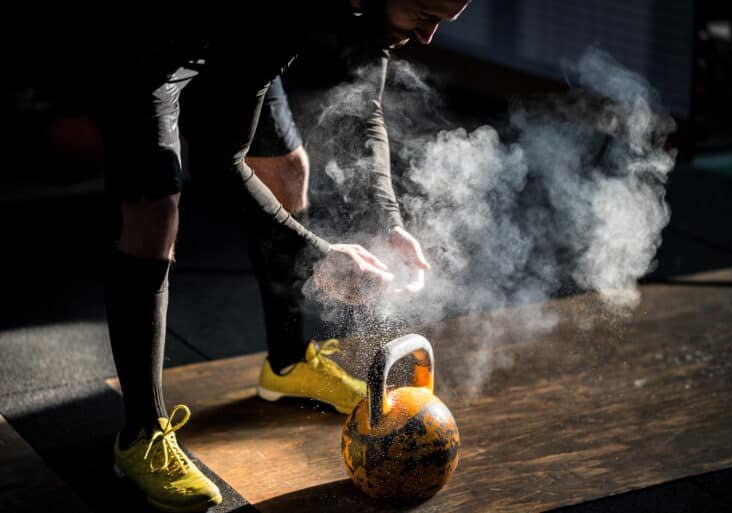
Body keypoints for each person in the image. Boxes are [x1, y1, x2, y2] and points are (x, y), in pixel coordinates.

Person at [99, 1, 469, 511]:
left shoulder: (380, 14)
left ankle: (288, 364)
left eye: (442, 20)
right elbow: (217, 165)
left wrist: (390, 225)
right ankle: (140, 435)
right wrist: (318, 255)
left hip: (242, 33)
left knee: (286, 169)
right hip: (151, 40)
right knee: (156, 210)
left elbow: (366, 112)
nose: (428, 36)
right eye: (426, 13)